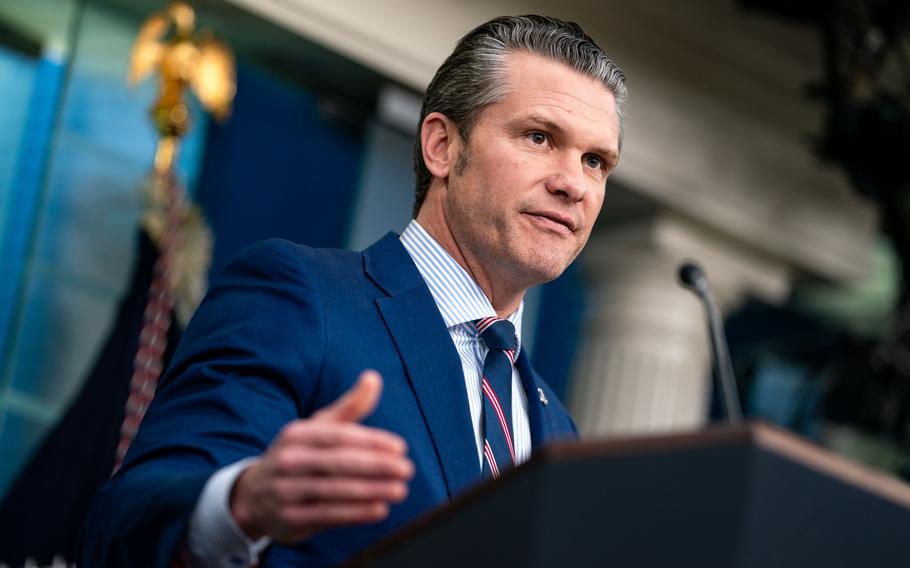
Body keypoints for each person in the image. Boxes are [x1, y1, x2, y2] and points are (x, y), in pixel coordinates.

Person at [82, 14, 626, 568]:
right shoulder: (300, 297)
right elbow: (126, 522)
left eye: (595, 161)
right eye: (539, 137)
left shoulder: (557, 427)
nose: (573, 184)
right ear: (441, 146)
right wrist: (241, 504)